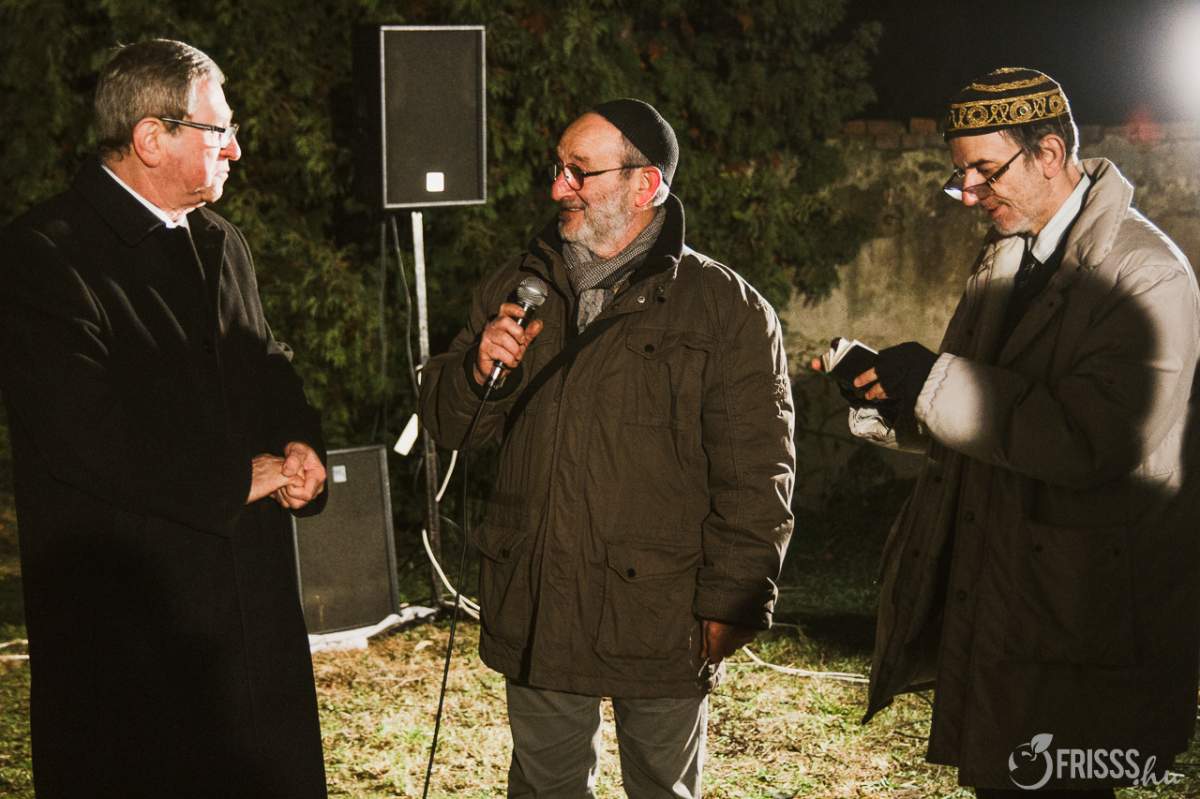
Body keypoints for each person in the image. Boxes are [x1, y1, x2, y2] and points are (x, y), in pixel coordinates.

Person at [817, 68, 1200, 797]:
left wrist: (934, 382)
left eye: (985, 172)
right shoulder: (1006, 255)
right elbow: (990, 423)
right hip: (1004, 604)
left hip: (1085, 621)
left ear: (1049, 153)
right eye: (959, 175)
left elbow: (1095, 440)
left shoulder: (1147, 275)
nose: (969, 194)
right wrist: (899, 396)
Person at [420, 99, 795, 797]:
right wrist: (478, 371)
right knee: (544, 787)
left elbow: (757, 475)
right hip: (537, 599)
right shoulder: (516, 287)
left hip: (660, 612)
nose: (556, 187)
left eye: (579, 171)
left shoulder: (727, 309)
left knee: (660, 787)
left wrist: (734, 600)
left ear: (644, 184)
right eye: (557, 169)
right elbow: (449, 425)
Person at [0, 39, 329, 798]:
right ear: (152, 138)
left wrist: (299, 440)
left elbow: (264, 362)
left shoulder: (219, 241)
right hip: (129, 640)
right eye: (220, 130)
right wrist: (235, 478)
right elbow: (83, 438)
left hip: (248, 627)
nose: (236, 149)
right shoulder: (43, 255)